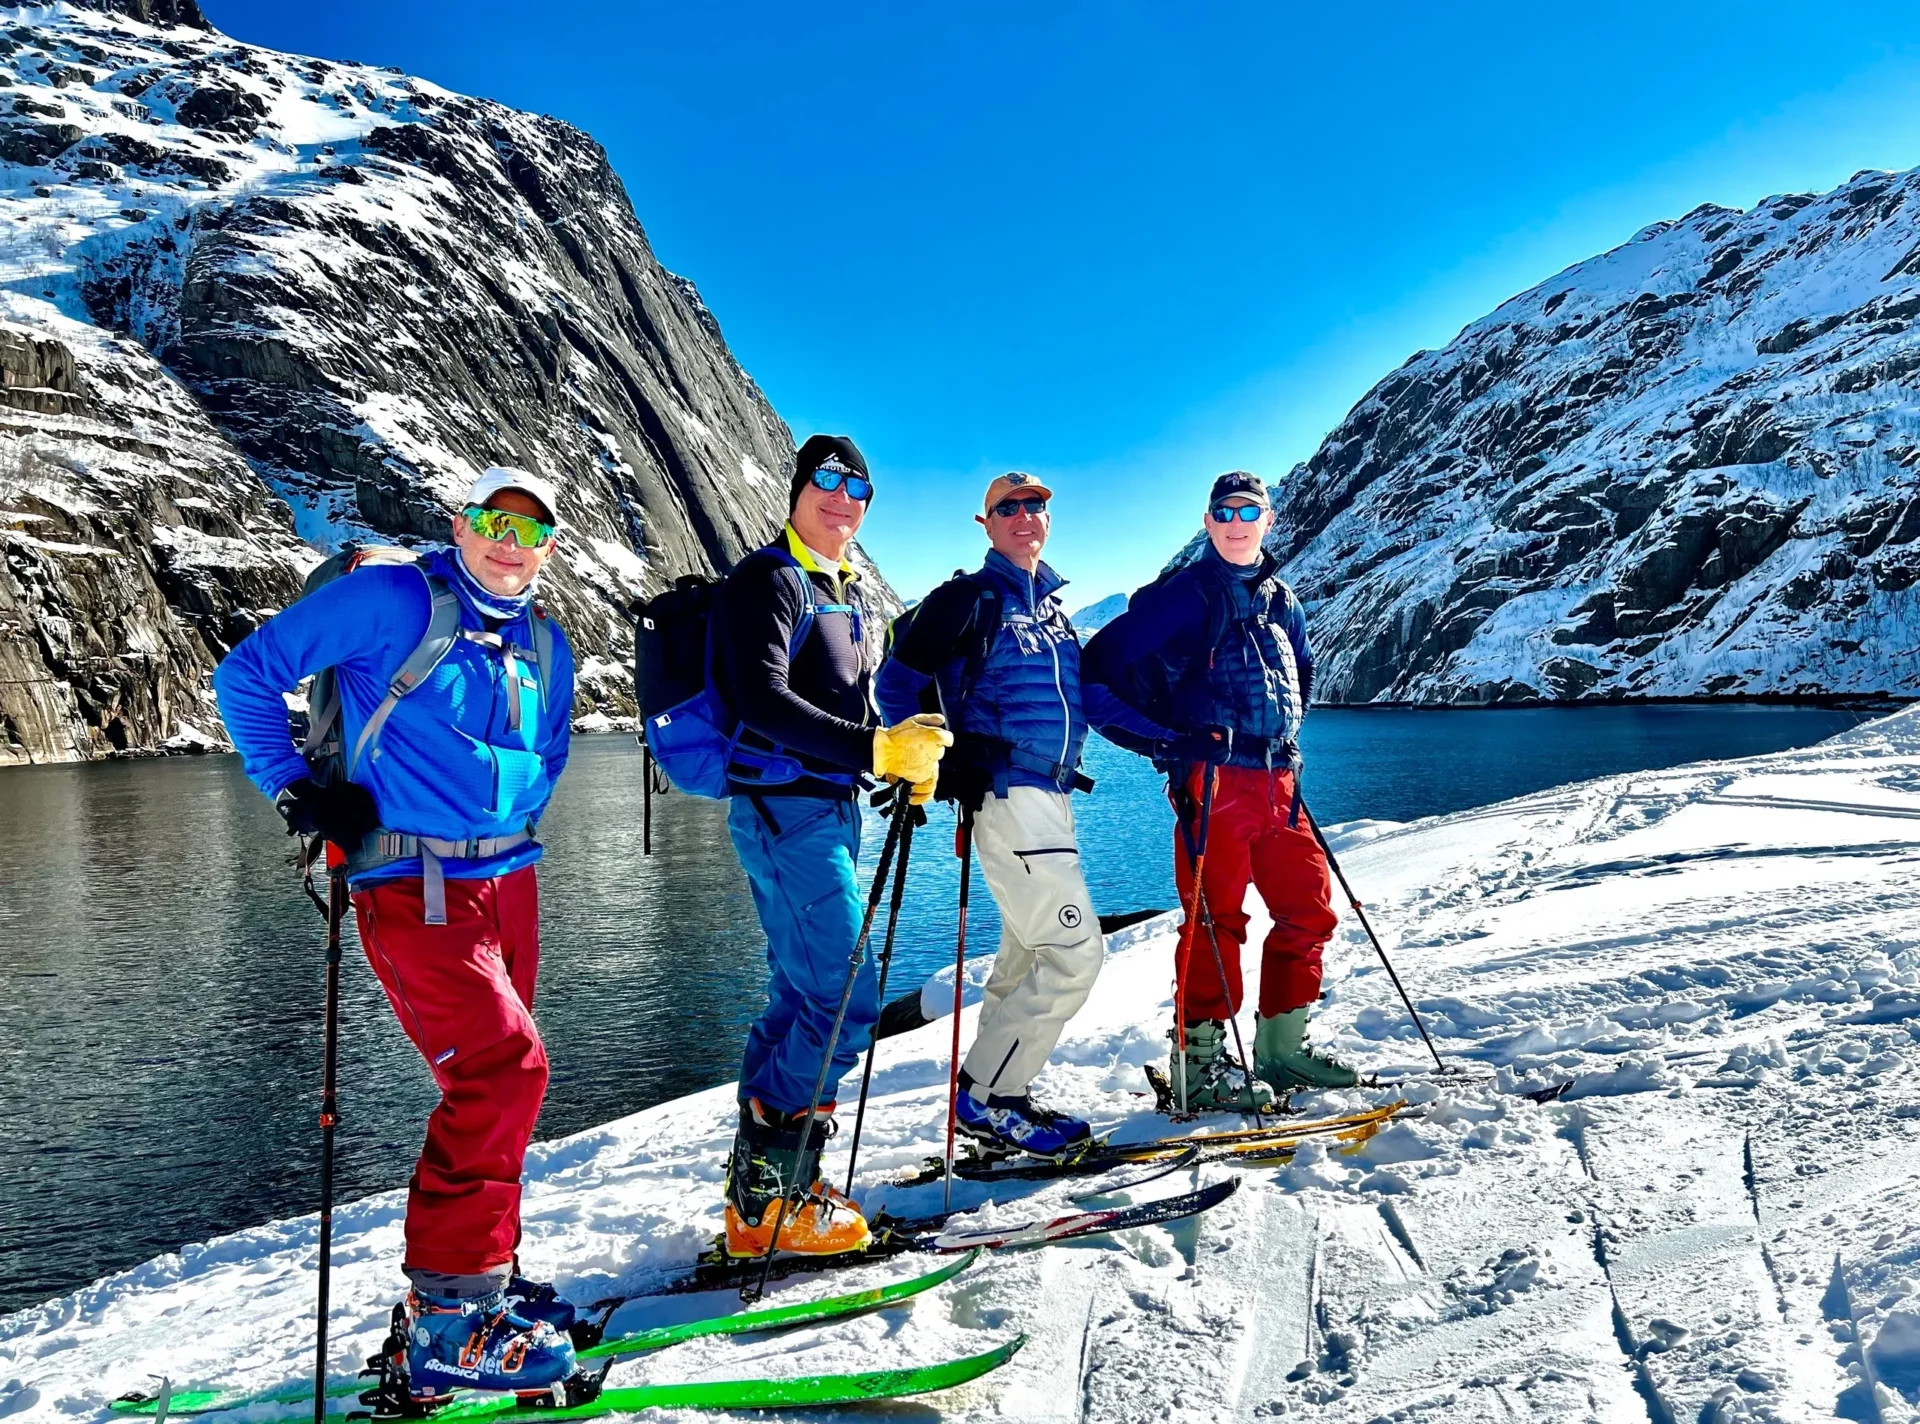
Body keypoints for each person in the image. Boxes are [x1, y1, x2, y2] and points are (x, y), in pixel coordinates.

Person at [213, 467, 582, 1403]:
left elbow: (550, 753)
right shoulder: (393, 597)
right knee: (504, 1068)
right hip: (412, 883)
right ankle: (453, 1319)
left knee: (501, 1080)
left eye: (532, 531)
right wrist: (297, 792)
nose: (511, 541)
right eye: (495, 521)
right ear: (461, 525)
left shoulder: (546, 638)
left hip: (511, 879)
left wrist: (511, 809)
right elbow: (247, 675)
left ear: (548, 546)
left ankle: (476, 1278)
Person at [714, 434, 951, 1258]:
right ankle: (774, 1197)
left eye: (860, 487)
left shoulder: (840, 589)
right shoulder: (768, 580)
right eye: (828, 478)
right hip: (786, 814)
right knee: (846, 1000)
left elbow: (844, 718)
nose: (844, 496)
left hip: (824, 811)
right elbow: (761, 701)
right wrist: (872, 751)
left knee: (799, 997)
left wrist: (898, 754)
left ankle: (760, 1197)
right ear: (796, 486)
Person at [874, 472, 1155, 1157]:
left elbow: (1091, 703)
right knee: (1074, 956)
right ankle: (986, 1099)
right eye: (1010, 507)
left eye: (1037, 506)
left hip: (1051, 800)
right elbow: (894, 683)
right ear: (987, 522)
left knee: (1025, 958)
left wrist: (1170, 743)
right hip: (1007, 794)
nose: (1026, 515)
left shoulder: (1055, 617)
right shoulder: (966, 599)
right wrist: (931, 754)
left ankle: (995, 1097)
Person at [1082, 471, 1354, 1111]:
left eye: (1248, 511)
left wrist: (1284, 740)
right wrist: (1168, 743)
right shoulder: (1186, 597)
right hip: (1215, 780)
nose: (1235, 522)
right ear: (1207, 522)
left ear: (1269, 519)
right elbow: (1097, 672)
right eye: (1222, 512)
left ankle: (1282, 1052)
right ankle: (1197, 1066)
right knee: (1215, 921)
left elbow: (1302, 674)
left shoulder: (1283, 600)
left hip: (1278, 780)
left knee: (1309, 909)